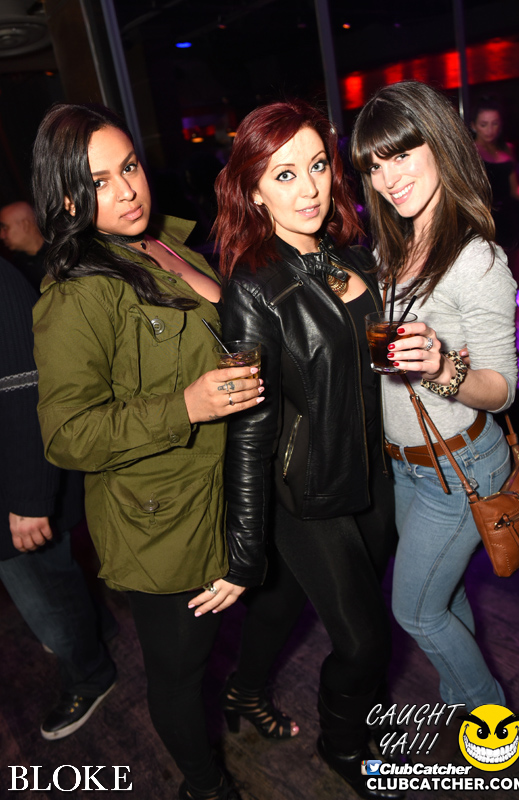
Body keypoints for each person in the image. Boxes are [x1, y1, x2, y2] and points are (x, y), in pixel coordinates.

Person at [31, 102, 264, 800]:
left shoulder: (165, 243)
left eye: (129, 166)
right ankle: (205, 786)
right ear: (67, 197)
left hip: (228, 481)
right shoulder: (76, 294)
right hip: (159, 522)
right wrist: (184, 405)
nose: (129, 190)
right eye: (100, 181)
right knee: (180, 669)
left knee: (268, 606)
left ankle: (246, 696)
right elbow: (67, 434)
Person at [212, 100, 402, 800]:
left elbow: (381, 365)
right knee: (363, 640)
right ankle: (341, 742)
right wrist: (243, 549)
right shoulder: (253, 287)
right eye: (285, 174)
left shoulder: (355, 255)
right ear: (255, 191)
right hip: (308, 494)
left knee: (295, 603)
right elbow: (250, 426)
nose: (310, 188)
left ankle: (246, 688)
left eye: (318, 165)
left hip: (375, 477)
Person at [352, 81, 517, 750]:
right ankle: (459, 691)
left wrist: (442, 366)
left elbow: (501, 388)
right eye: (373, 165)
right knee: (441, 600)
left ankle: (492, 723)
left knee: (415, 610)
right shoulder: (393, 249)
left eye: (400, 155)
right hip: (408, 467)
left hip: (459, 468)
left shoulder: (476, 260)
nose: (388, 178)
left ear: (440, 144)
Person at [0, 253, 117, 740]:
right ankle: (94, 629)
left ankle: (91, 675)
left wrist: (30, 499)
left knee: (45, 593)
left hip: (16, 492)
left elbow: (26, 389)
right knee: (54, 585)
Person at [471, 96, 519, 288]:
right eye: (484, 124)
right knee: (494, 285)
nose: (490, 130)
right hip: (486, 222)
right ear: (474, 126)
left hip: (511, 221)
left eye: (495, 123)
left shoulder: (507, 148)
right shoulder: (470, 151)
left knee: (515, 281)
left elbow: (515, 190)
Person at [0, 201, 47, 292]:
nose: (2, 235)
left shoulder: (61, 252)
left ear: (25, 225)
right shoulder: (16, 266)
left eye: (5, 228)